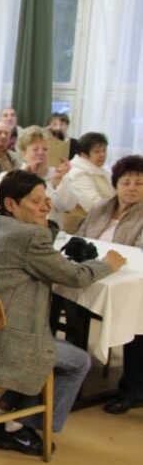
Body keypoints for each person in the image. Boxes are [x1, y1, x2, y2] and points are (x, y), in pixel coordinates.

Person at [0, 170, 124, 454]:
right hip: (2, 345)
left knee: (48, 345)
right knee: (78, 362)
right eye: (36, 201)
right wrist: (107, 264)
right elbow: (75, 277)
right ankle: (17, 426)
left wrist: (41, 222)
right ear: (11, 204)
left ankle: (0, 411)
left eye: (46, 199)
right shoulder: (26, 237)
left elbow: (41, 252)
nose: (46, 206)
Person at [75, 155, 143, 414]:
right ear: (116, 184)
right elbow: (79, 238)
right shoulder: (101, 207)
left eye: (139, 183)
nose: (132, 188)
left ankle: (134, 389)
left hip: (129, 279)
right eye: (126, 182)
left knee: (136, 311)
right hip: (93, 272)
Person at [17, 125, 76, 226]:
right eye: (35, 149)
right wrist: (28, 176)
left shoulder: (58, 175)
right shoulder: (12, 177)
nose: (41, 153)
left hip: (50, 233)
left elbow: (69, 206)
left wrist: (57, 182)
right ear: (24, 153)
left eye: (45, 149)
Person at [65, 132, 113, 213]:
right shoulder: (78, 174)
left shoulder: (103, 170)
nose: (102, 155)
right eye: (97, 152)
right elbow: (94, 205)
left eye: (104, 150)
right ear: (84, 155)